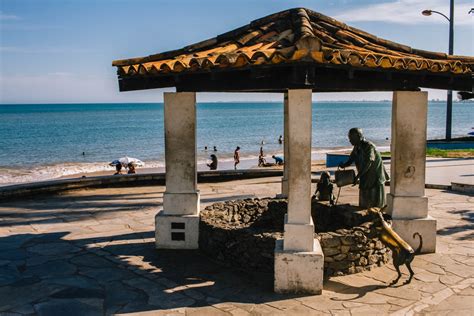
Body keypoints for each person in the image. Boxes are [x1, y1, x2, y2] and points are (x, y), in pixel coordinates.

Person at [338, 128, 389, 208]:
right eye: (349, 138)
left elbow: (368, 162)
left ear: (358, 136)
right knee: (364, 200)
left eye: (351, 138)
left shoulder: (369, 146)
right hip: (365, 176)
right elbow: (351, 159)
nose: (349, 140)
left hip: (375, 177)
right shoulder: (356, 147)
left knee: (375, 203)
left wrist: (358, 176)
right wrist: (344, 165)